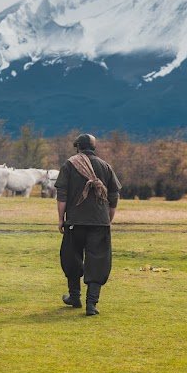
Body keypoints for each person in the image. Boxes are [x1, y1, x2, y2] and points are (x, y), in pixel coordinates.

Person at [55, 133, 121, 316]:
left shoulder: (69, 164)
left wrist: (61, 219)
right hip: (99, 223)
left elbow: (62, 196)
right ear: (94, 147)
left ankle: (74, 297)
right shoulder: (105, 166)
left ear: (78, 147)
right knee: (98, 261)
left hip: (75, 222)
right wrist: (107, 219)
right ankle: (91, 304)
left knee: (71, 259)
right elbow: (114, 197)